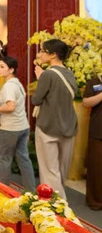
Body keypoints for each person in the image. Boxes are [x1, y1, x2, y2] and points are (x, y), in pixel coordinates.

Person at [32, 39, 78, 199]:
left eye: (43, 51)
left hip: (48, 126)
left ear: (53, 55)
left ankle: (57, 207)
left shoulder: (48, 74)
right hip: (68, 126)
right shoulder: (69, 73)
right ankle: (59, 205)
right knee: (61, 170)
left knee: (50, 171)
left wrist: (40, 78)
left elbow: (36, 100)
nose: (40, 54)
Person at [0, 57, 36, 192]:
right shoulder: (17, 83)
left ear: (11, 69)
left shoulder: (9, 86)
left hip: (10, 128)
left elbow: (11, 107)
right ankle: (30, 190)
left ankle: (4, 189)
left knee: (4, 158)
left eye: (2, 67)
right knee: (23, 158)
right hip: (23, 126)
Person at [82, 69, 102, 210]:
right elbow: (86, 102)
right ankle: (95, 201)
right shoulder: (94, 82)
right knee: (96, 167)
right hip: (98, 130)